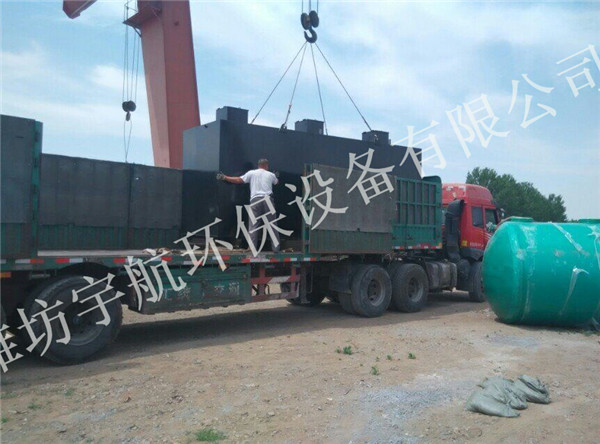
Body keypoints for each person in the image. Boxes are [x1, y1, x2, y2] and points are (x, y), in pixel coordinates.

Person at [217, 159, 281, 252]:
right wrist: (276, 176)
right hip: (268, 200)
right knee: (272, 224)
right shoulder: (270, 174)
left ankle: (252, 248)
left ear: (259, 165)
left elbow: (239, 180)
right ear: (266, 166)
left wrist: (225, 177)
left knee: (253, 225)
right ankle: (276, 248)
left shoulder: (252, 173)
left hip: (255, 200)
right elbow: (277, 182)